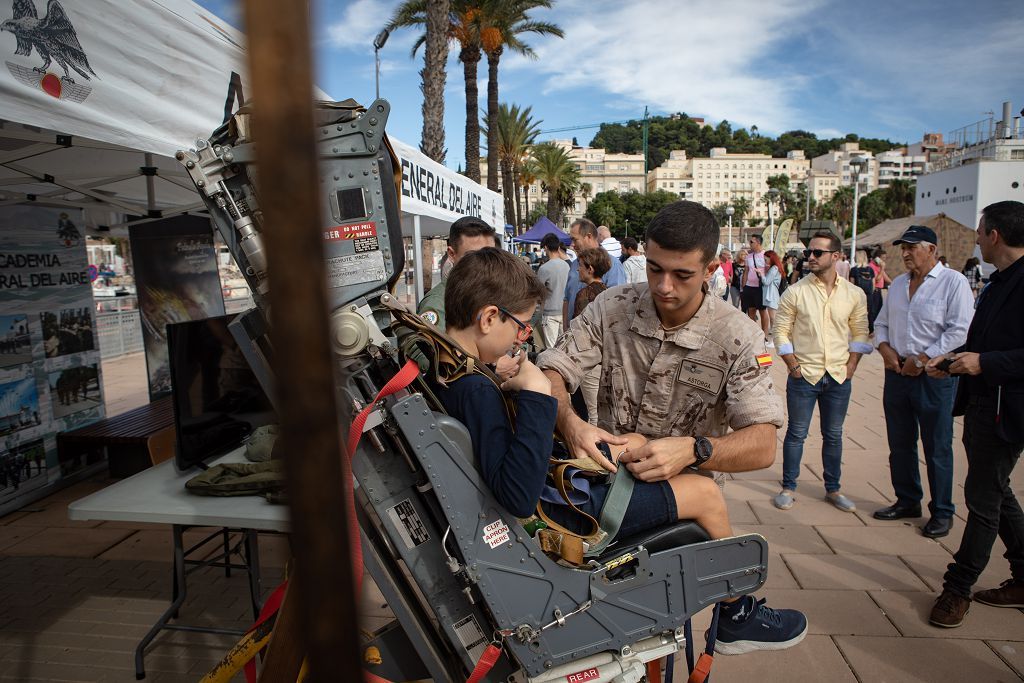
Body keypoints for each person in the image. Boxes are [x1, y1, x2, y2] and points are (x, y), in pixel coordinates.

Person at [538, 200, 807, 655]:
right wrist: (571, 423)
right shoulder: (613, 306)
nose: (663, 287)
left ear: (710, 269)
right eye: (655, 268)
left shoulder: (739, 337)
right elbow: (553, 373)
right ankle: (736, 612)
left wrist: (693, 451)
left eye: (682, 275)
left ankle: (734, 613)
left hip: (683, 499)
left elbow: (763, 445)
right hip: (607, 481)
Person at [926, 201, 1024, 628]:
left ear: (995, 235)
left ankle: (957, 587)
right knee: (998, 493)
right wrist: (954, 359)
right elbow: (984, 341)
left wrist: (984, 363)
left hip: (1007, 410)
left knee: (982, 501)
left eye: (981, 231)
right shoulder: (999, 281)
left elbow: (1002, 355)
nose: (978, 239)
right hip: (985, 405)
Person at [872, 226, 974, 540]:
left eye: (912, 247)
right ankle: (907, 500)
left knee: (937, 446)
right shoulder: (900, 284)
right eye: (903, 247)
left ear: (931, 249)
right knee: (900, 443)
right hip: (898, 374)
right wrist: (886, 349)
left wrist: (924, 358)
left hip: (933, 376)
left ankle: (942, 511)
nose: (905, 253)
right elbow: (881, 323)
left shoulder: (953, 282)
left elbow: (959, 330)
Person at [772, 231, 872, 512]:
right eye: (809, 253)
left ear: (836, 257)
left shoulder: (854, 294)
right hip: (805, 375)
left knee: (834, 434)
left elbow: (860, 332)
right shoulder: (796, 291)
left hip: (839, 376)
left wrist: (852, 365)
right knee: (796, 433)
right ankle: (788, 486)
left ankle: (833, 488)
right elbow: (780, 331)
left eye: (817, 253)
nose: (810, 258)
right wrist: (792, 365)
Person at [418, 216, 497, 330]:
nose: (485, 262)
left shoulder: (495, 289)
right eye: (473, 255)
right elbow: (429, 346)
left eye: (491, 254)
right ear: (451, 254)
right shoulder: (438, 302)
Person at [562, 218, 627, 326]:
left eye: (575, 240)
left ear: (588, 236)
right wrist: (565, 328)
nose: (572, 245)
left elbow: (617, 304)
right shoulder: (574, 264)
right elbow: (567, 299)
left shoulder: (612, 264)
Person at [536, 233, 570, 349]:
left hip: (550, 313)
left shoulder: (544, 268)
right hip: (565, 311)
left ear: (545, 247)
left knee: (551, 350)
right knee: (564, 349)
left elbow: (538, 294)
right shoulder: (567, 266)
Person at [743, 235, 771, 343]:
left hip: (761, 287)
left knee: (763, 311)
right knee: (751, 311)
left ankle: (764, 335)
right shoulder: (749, 256)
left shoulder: (765, 255)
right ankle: (754, 335)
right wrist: (744, 286)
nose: (749, 244)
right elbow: (746, 271)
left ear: (758, 243)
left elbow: (769, 271)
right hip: (749, 287)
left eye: (751, 242)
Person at [573, 248, 611, 319]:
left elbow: (579, 325)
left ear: (590, 269)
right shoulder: (609, 292)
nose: (578, 269)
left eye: (580, 265)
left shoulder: (584, 294)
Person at [761, 250, 785, 338]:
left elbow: (766, 282)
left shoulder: (774, 268)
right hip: (772, 295)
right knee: (773, 318)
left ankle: (775, 339)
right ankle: (775, 338)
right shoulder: (775, 267)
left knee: (773, 318)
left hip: (771, 295)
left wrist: (761, 274)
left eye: (765, 259)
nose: (765, 261)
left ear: (770, 258)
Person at [868, 251, 891, 331]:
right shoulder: (871, 266)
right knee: (874, 310)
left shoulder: (879, 267)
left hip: (879, 290)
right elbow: (877, 279)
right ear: (877, 258)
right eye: (882, 258)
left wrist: (894, 284)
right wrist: (882, 268)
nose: (884, 260)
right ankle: (872, 328)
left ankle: (876, 326)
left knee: (879, 309)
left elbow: (885, 277)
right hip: (874, 290)